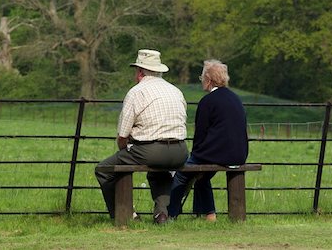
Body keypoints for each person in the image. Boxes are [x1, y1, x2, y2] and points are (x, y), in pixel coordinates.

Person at [95, 49, 189, 224]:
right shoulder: (176, 91)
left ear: (139, 72)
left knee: (104, 170)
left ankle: (126, 214)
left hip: (150, 150)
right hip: (180, 151)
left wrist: (124, 150)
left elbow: (123, 134)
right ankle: (161, 214)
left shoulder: (137, 92)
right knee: (159, 173)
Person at [168, 59, 249, 222]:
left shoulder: (208, 101)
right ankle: (208, 214)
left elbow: (200, 133)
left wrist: (195, 154)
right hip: (239, 153)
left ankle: (171, 214)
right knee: (202, 177)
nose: (201, 81)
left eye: (202, 78)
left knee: (182, 175)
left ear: (209, 80)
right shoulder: (235, 98)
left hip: (215, 153)